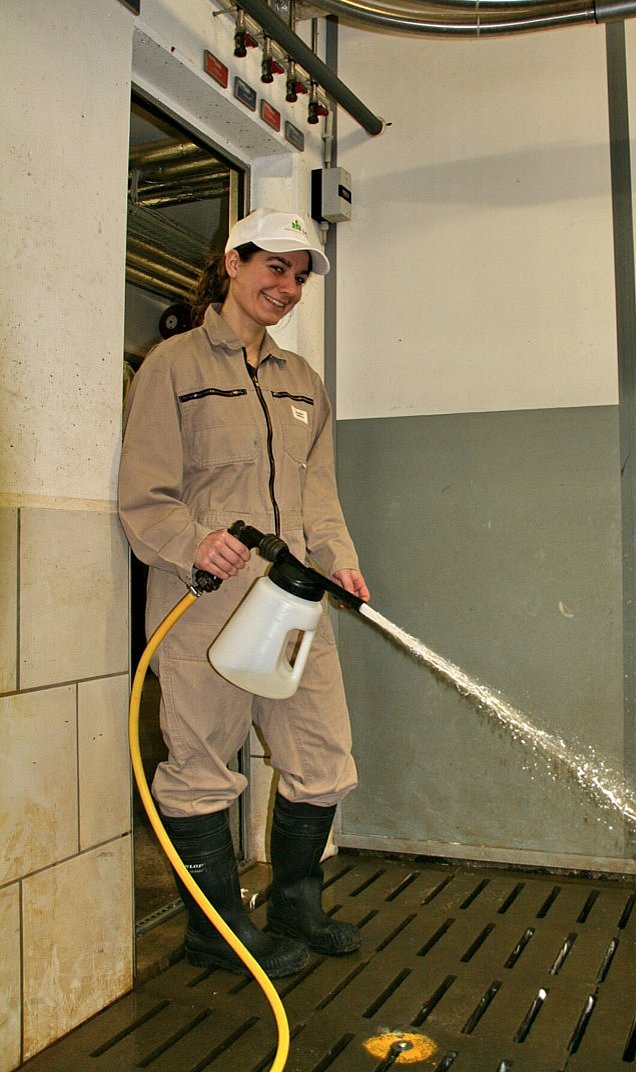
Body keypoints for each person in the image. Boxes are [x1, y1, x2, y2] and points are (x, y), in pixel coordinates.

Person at [118, 208, 370, 978]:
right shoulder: (174, 367)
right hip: (204, 605)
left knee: (324, 758)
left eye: (299, 276)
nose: (288, 287)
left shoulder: (304, 384)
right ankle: (216, 932)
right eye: (275, 268)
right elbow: (145, 494)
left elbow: (318, 497)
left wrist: (341, 563)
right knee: (198, 770)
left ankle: (296, 903)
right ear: (233, 262)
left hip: (294, 604)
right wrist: (195, 540)